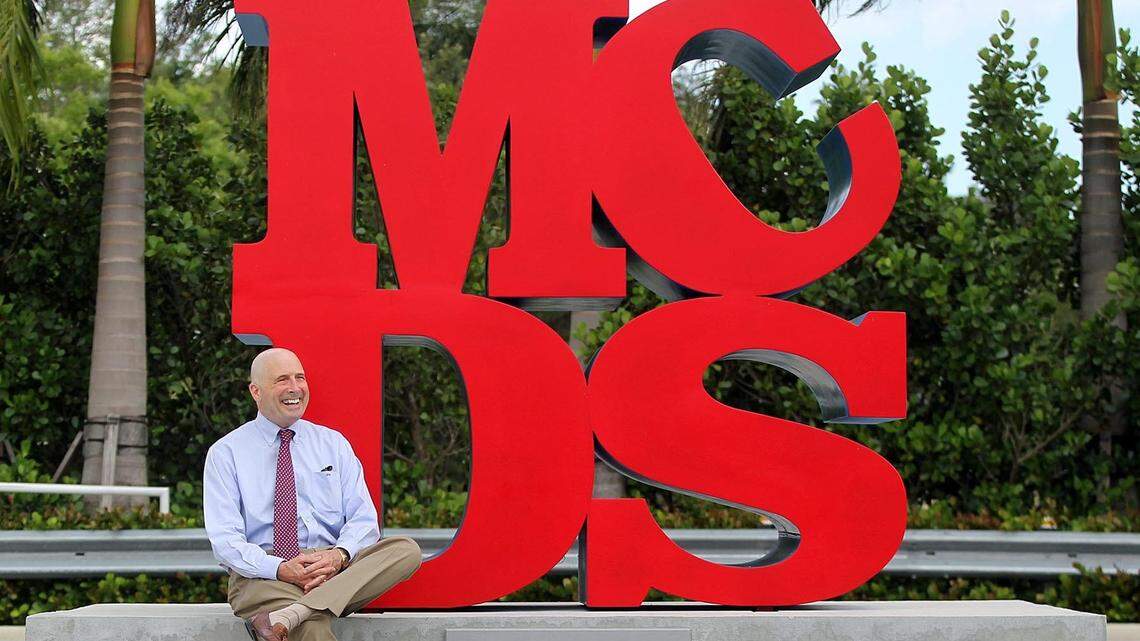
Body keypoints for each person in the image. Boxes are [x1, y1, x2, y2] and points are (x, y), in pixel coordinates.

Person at [204, 347, 421, 641]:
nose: (295, 388)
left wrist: (338, 555)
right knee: (313, 627)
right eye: (282, 379)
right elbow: (225, 542)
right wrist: (281, 568)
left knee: (405, 550)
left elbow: (364, 520)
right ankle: (305, 612)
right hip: (265, 574)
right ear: (256, 391)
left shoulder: (333, 443)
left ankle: (291, 614)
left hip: (333, 569)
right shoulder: (226, 453)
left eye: (300, 378)